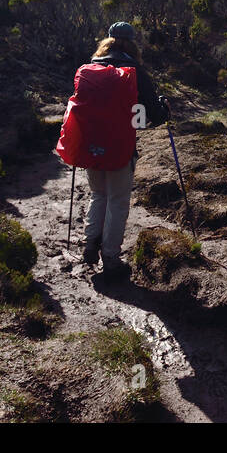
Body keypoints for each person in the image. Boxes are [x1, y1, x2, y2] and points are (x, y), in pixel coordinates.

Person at [79, 21, 169, 280]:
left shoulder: (91, 67)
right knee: (117, 201)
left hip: (90, 145)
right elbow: (154, 114)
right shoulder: (135, 70)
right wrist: (164, 108)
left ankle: (89, 246)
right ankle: (110, 257)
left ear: (107, 40)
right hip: (120, 146)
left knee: (98, 194)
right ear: (132, 42)